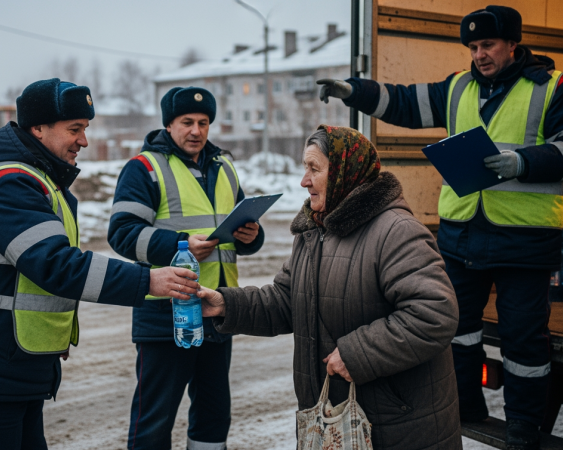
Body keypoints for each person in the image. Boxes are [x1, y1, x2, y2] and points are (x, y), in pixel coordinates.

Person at [317, 5, 563, 449]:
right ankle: (466, 407)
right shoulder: (458, 87)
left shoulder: (555, 88)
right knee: (455, 327)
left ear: (513, 44)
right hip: (462, 235)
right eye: (473, 47)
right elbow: (403, 102)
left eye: (488, 45)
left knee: (524, 339)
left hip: (525, 238)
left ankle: (525, 425)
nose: (479, 54)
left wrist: (523, 162)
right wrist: (355, 91)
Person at [0, 78, 200, 450]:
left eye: (85, 129)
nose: (83, 141)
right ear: (38, 128)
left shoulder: (39, 180)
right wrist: (148, 281)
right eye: (74, 129)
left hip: (13, 360)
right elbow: (55, 265)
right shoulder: (10, 184)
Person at [198, 125, 461, 450]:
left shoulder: (397, 231)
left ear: (344, 173)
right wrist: (224, 304)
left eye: (314, 169)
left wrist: (357, 354)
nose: (303, 181)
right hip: (335, 421)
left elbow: (434, 314)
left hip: (396, 425)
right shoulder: (314, 231)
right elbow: (285, 300)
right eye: (304, 168)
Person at [108, 86, 265, 450]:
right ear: (169, 124)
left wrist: (251, 236)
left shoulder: (224, 167)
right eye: (187, 122)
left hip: (218, 309)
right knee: (154, 420)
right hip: (166, 313)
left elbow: (241, 230)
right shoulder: (144, 168)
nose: (196, 131)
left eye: (203, 122)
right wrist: (180, 244)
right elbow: (122, 233)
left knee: (214, 415)